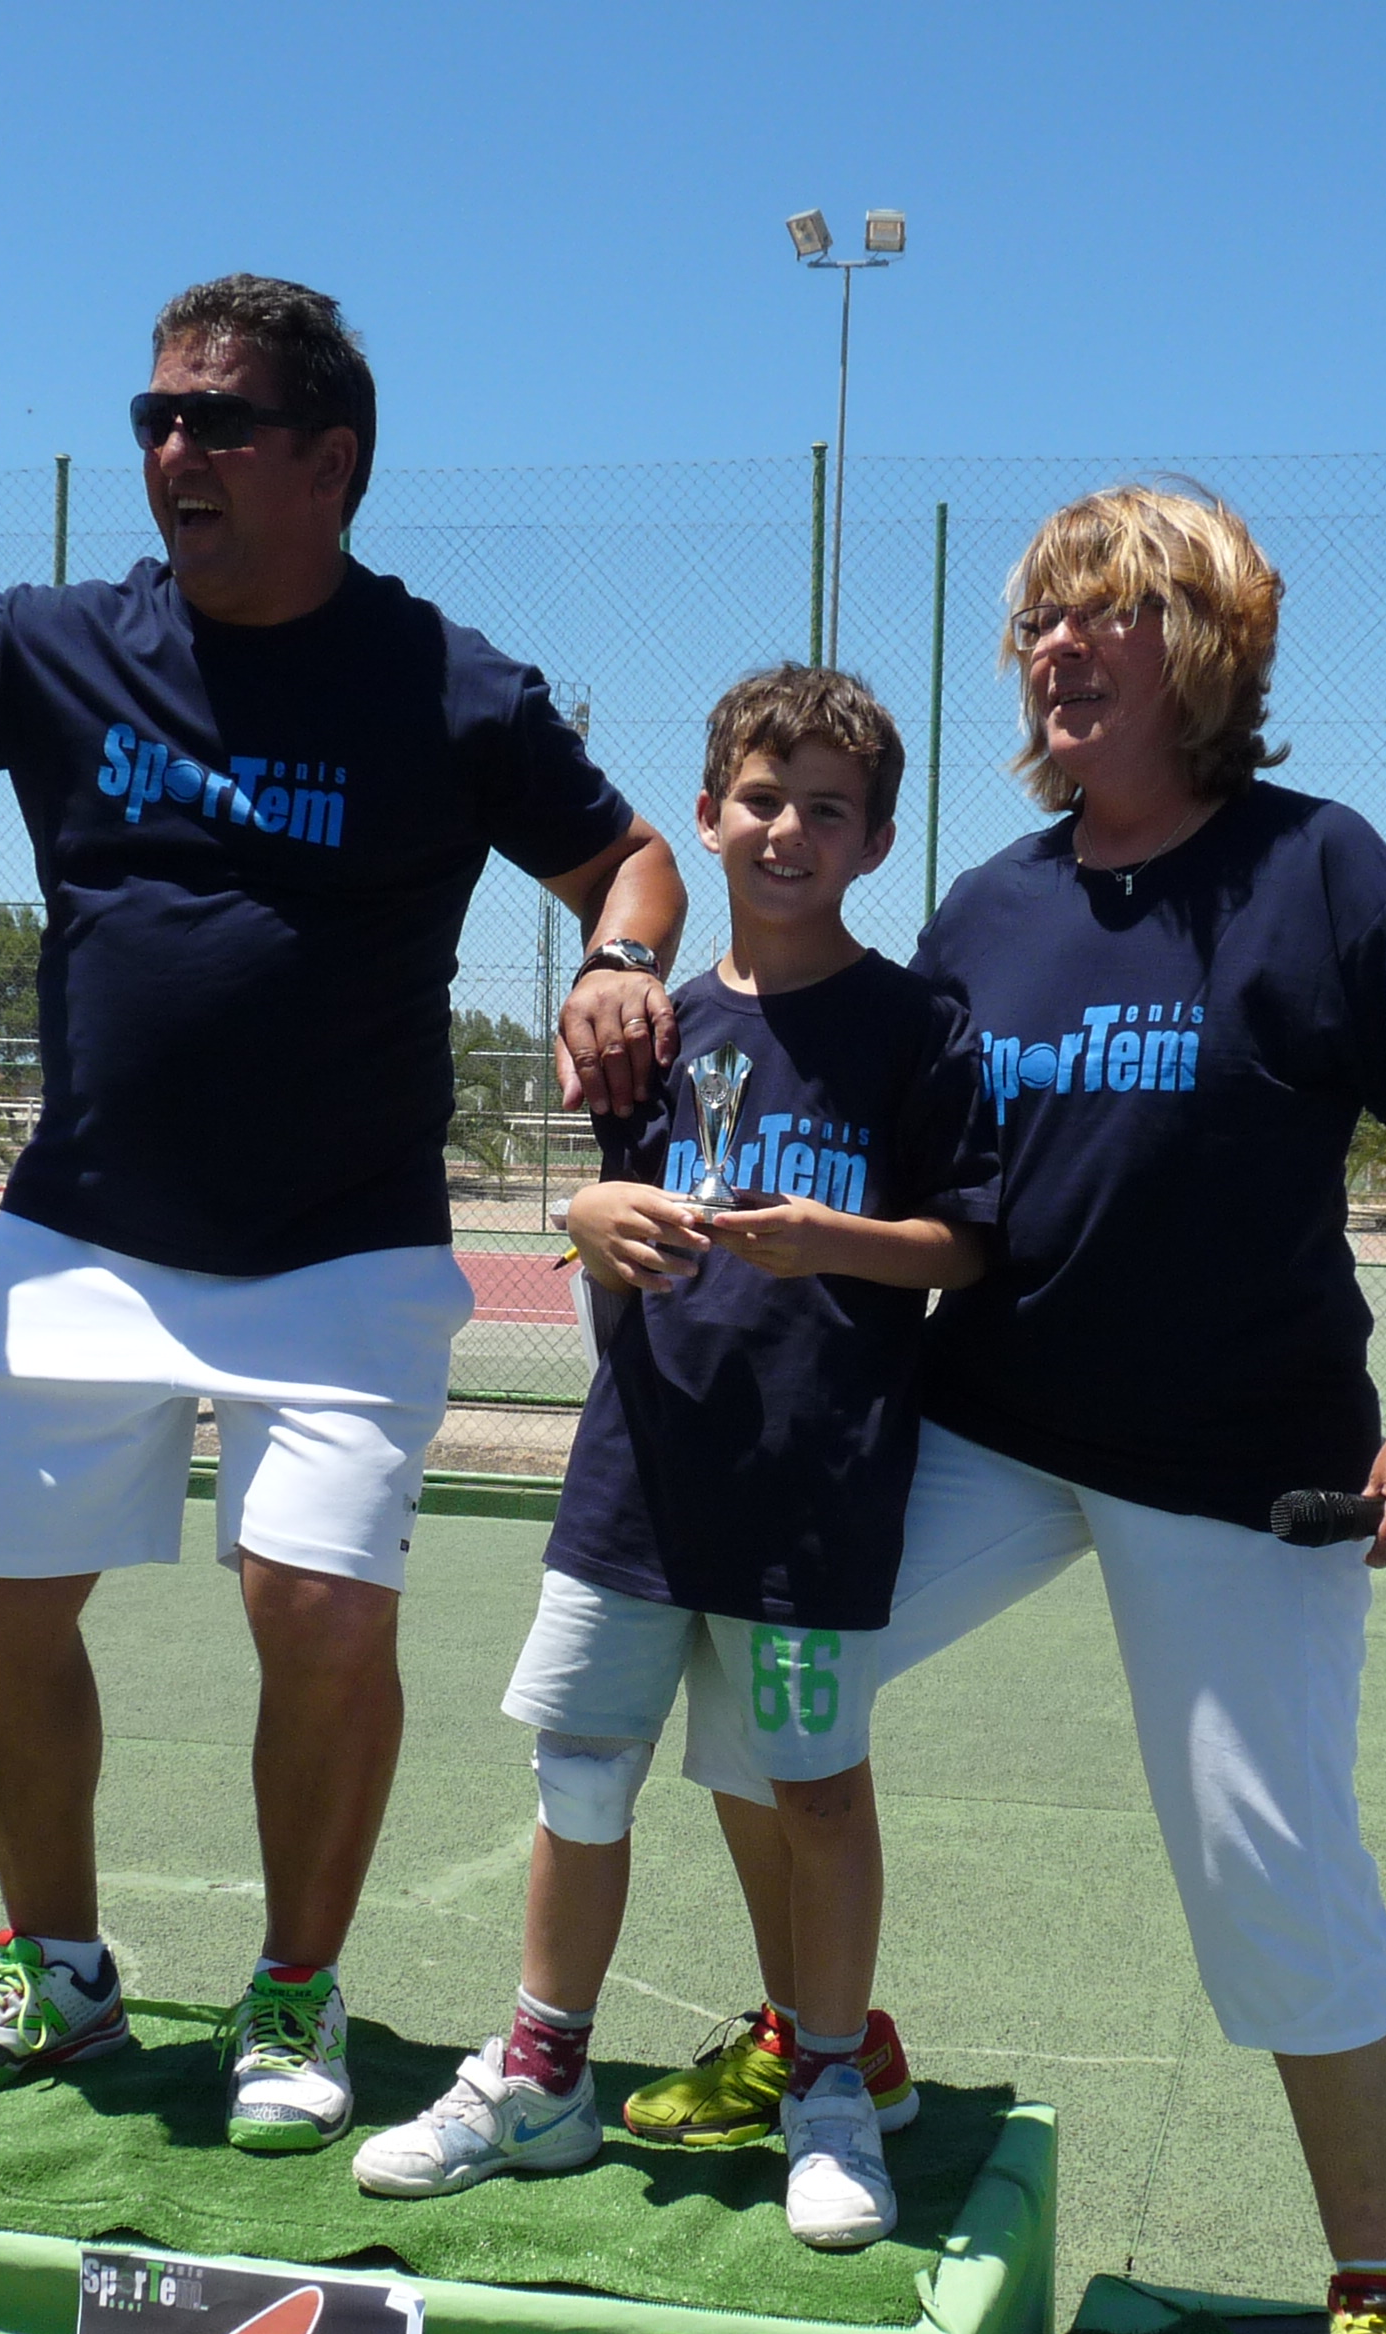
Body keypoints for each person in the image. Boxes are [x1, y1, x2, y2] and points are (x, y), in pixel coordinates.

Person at [0, 270, 685, 2144]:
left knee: (318, 1614)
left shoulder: (447, 683)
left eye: (218, 420)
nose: (173, 448)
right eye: (155, 417)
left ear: (328, 463)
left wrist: (618, 958)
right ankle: (59, 1969)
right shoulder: (51, 643)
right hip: (79, 1232)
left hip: (345, 1254)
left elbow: (636, 856)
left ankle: (295, 1991)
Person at [637, 487, 1386, 2334]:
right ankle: (830, 2041)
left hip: (1239, 1465)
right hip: (996, 1423)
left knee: (1271, 1865)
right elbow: (897, 1144)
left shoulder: (1320, 868)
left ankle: (1375, 2282)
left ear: (1201, 647)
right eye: (1038, 616)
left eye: (1100, 611)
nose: (1053, 645)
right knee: (758, 1684)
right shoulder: (990, 907)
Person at [352, 667, 997, 2250]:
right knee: (580, 1770)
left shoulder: (916, 1024)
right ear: (707, 815)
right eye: (762, 800)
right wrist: (582, 1215)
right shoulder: (653, 1023)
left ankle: (830, 2085)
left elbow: (969, 1246)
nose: (788, 831)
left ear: (876, 842)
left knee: (816, 1796)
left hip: (810, 1498)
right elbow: (611, 1214)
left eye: (827, 810)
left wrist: (831, 1240)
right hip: (637, 1479)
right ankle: (543, 2076)